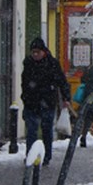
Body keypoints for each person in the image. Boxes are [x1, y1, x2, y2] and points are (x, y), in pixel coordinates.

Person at [21, 37, 70, 166]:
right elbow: (24, 83)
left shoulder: (52, 63)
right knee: (31, 130)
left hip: (47, 102)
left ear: (44, 51)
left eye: (38, 52)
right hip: (31, 102)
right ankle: (30, 155)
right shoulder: (28, 63)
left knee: (46, 130)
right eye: (33, 52)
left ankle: (47, 156)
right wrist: (25, 98)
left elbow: (62, 81)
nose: (35, 55)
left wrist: (66, 98)